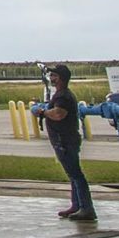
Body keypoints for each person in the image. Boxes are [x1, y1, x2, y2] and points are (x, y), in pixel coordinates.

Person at [42, 63, 94, 222]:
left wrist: (43, 112)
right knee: (73, 175)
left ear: (61, 78)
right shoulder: (60, 94)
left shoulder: (63, 96)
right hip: (62, 140)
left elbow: (59, 114)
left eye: (54, 76)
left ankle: (86, 208)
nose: (51, 78)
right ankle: (77, 205)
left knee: (76, 174)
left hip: (65, 141)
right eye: (51, 75)